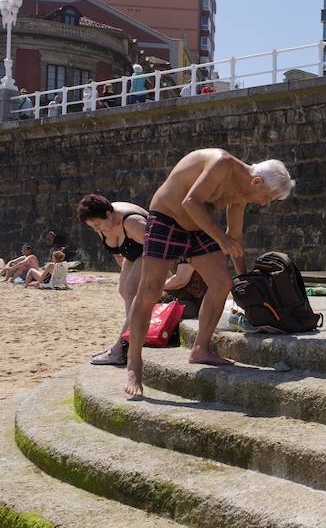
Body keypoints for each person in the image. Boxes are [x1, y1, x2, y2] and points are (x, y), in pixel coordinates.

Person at [123, 148, 295, 396]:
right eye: (267, 197)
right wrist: (221, 239)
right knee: (150, 290)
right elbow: (190, 202)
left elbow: (235, 238)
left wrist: (245, 281)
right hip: (167, 218)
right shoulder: (221, 164)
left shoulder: (241, 193)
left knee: (221, 282)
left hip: (199, 226)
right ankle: (134, 363)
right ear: (256, 181)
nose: (265, 203)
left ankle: (200, 349)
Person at [77, 194, 149, 366]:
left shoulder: (131, 222)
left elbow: (158, 248)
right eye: (92, 227)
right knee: (124, 290)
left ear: (109, 214)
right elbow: (119, 254)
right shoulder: (103, 224)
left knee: (131, 291)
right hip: (133, 253)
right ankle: (128, 340)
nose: (96, 230)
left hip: (150, 252)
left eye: (97, 225)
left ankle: (120, 348)